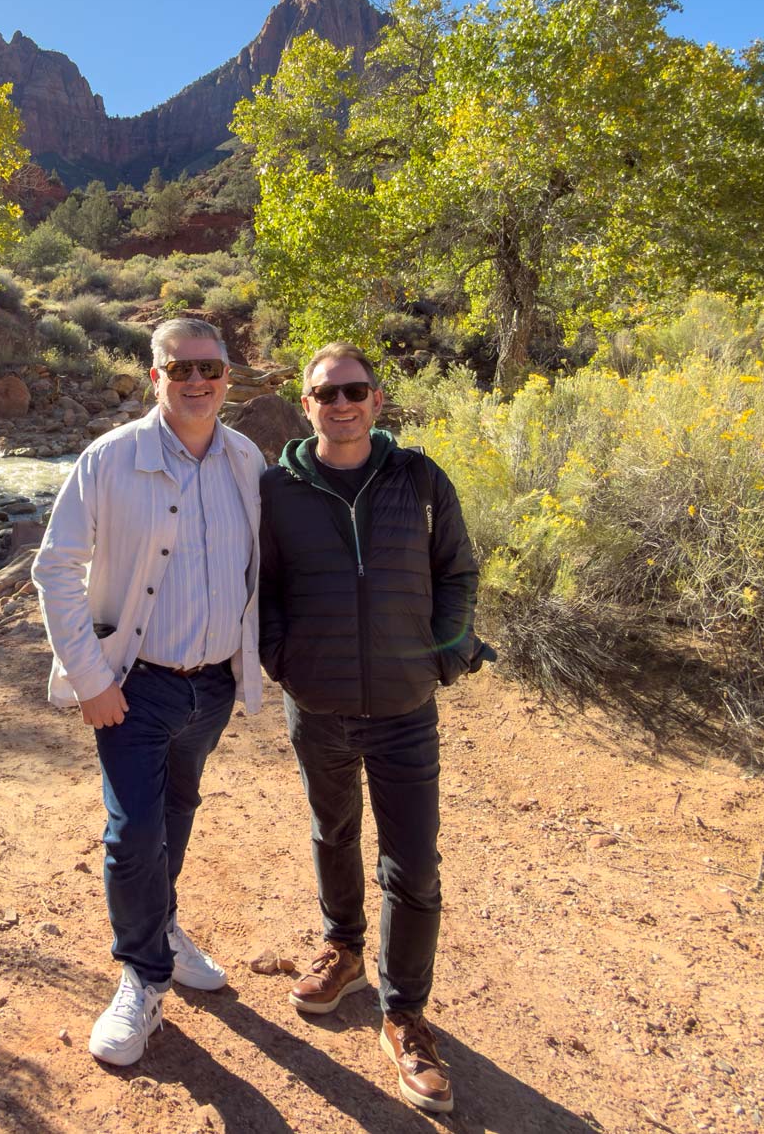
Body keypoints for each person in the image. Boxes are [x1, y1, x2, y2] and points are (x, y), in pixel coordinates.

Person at [258, 341, 491, 1114]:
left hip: (403, 707)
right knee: (332, 831)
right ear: (307, 404)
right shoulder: (277, 489)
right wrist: (281, 657)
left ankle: (405, 1013)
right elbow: (265, 585)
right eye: (328, 393)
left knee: (414, 863)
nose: (343, 403)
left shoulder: (418, 478)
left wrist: (445, 658)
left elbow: (457, 571)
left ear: (378, 400)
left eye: (355, 390)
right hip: (317, 702)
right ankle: (344, 947)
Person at [32, 316, 266, 1067]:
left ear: (229, 376)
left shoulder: (247, 458)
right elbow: (54, 568)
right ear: (155, 375)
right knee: (133, 829)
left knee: (177, 808)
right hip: (133, 685)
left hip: (214, 686)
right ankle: (142, 972)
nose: (197, 382)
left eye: (211, 369)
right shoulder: (110, 458)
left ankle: (161, 923)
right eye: (181, 369)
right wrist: (91, 678)